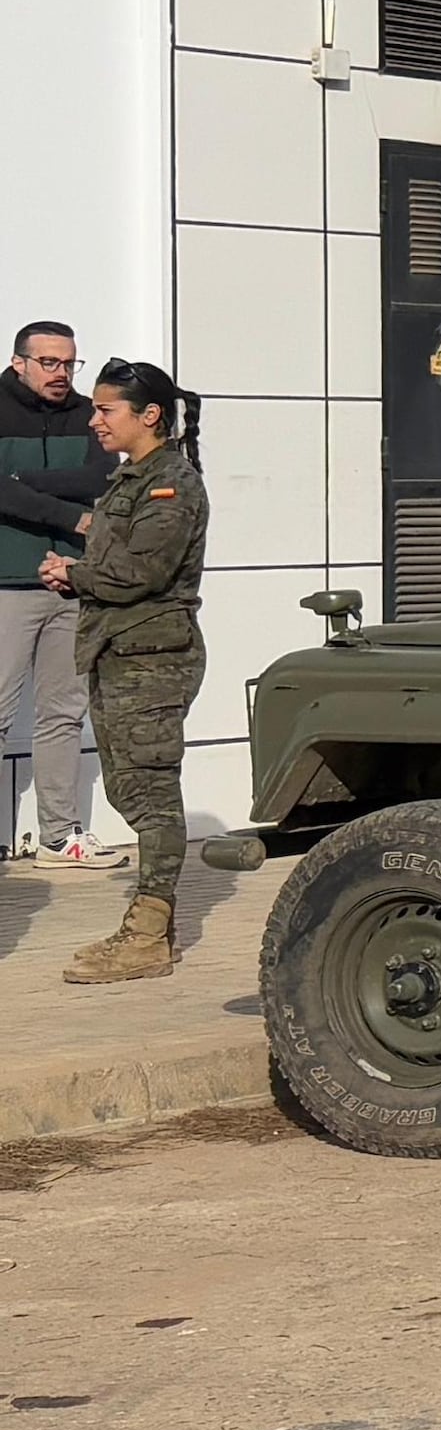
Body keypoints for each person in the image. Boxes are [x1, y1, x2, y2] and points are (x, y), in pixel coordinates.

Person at [53, 360, 207, 984]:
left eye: (106, 410)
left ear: (150, 416)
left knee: (150, 791)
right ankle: (149, 929)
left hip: (152, 660)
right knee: (128, 788)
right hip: (119, 652)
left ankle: (148, 936)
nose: (94, 420)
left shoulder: (172, 483)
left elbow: (143, 572)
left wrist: (75, 574)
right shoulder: (132, 478)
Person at [0, 321, 100, 864]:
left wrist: (22, 485)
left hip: (71, 582)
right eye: (50, 363)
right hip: (6, 585)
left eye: (69, 363)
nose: (61, 373)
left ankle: (61, 836)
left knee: (63, 713)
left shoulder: (89, 414)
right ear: (20, 363)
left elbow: (101, 480)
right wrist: (69, 516)